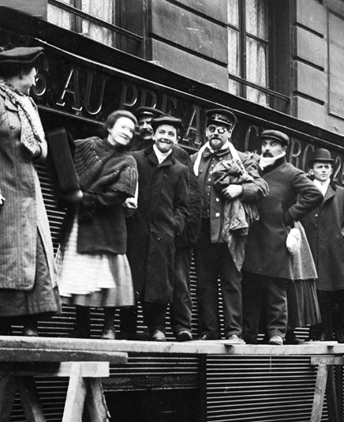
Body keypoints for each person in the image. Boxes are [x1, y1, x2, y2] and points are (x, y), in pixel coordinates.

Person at [0, 46, 59, 337]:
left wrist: (39, 148)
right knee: (3, 257)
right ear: (23, 72)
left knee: (35, 253)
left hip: (29, 192)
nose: (36, 77)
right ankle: (0, 321)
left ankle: (30, 322)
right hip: (2, 192)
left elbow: (40, 146)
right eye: (34, 71)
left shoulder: (29, 105)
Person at [55, 109, 139, 339]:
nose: (127, 133)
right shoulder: (86, 146)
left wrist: (87, 198)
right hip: (80, 220)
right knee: (80, 272)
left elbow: (118, 195)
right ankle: (82, 325)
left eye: (131, 130)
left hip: (107, 224)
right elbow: (66, 166)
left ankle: (109, 326)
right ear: (110, 127)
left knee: (107, 275)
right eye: (123, 127)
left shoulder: (128, 161)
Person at [191, 108, 267, 342]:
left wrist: (241, 190)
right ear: (205, 131)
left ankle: (234, 332)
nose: (215, 133)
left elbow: (262, 187)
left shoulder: (243, 159)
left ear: (230, 132)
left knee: (231, 282)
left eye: (221, 130)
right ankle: (209, 332)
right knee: (204, 283)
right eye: (212, 129)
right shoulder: (194, 159)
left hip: (229, 232)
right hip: (202, 232)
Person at [241, 130, 321, 345]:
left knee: (276, 289)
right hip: (251, 237)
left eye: (273, 145)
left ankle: (277, 333)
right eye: (264, 143)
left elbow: (314, 194)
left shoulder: (292, 173)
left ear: (284, 149)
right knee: (250, 289)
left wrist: (289, 215)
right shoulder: (253, 167)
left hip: (276, 238)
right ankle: (248, 333)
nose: (267, 148)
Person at [122, 115, 190, 341]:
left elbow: (183, 206)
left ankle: (157, 328)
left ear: (177, 139)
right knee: (132, 280)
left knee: (160, 283)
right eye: (162, 132)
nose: (166, 138)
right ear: (153, 134)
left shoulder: (179, 169)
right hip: (136, 232)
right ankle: (127, 328)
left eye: (171, 134)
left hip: (163, 236)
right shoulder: (136, 159)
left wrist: (174, 227)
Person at [301, 148, 344, 343]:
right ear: (311, 170)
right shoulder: (304, 191)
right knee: (316, 293)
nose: (324, 170)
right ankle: (318, 332)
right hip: (311, 249)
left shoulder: (342, 193)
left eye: (327, 167)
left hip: (335, 250)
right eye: (320, 167)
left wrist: (343, 234)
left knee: (343, 291)